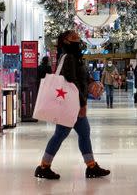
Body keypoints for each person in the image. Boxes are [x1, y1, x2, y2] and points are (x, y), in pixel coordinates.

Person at [34, 30, 111, 180]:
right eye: (73, 37)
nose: (77, 39)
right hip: (72, 105)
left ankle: (91, 166)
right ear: (65, 41)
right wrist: (81, 104)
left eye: (77, 36)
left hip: (73, 104)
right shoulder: (68, 57)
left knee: (82, 133)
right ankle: (44, 166)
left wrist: (91, 82)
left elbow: (81, 76)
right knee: (61, 134)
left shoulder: (75, 57)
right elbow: (71, 82)